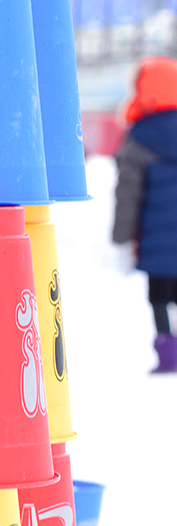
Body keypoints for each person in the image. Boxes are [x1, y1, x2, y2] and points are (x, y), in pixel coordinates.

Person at [112, 55, 177, 374]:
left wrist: (121, 238)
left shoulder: (139, 137)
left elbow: (128, 194)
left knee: (160, 295)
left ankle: (168, 351)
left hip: (157, 239)